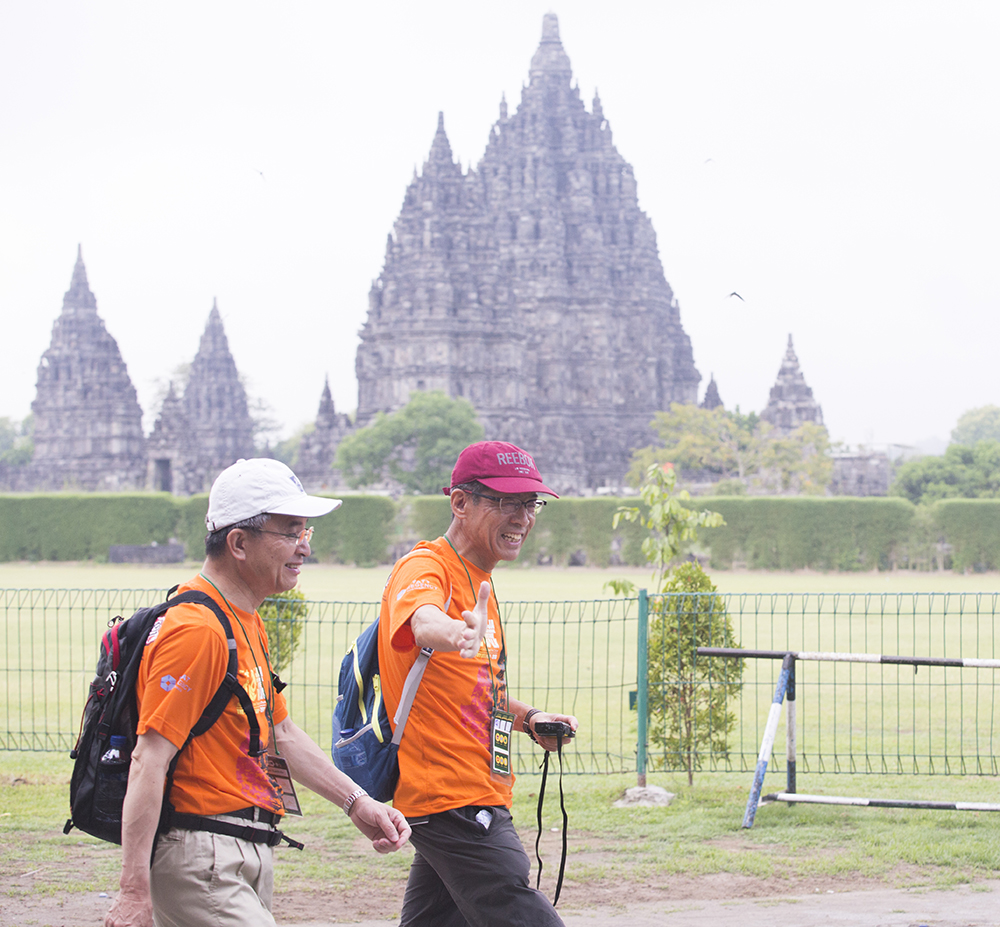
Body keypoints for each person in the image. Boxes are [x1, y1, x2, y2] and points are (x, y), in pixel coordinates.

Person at [106, 458, 411, 927]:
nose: (303, 548)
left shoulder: (243, 619)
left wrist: (357, 801)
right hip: (201, 856)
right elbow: (150, 759)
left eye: (305, 533)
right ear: (239, 543)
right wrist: (132, 893)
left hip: (241, 850)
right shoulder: (196, 629)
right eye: (290, 533)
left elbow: (280, 732)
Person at [377, 440, 578, 927]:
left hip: (471, 791)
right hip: (452, 800)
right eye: (506, 502)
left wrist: (530, 719)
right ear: (460, 503)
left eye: (531, 504)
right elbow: (423, 621)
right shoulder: (427, 567)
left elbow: (474, 690)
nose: (522, 518)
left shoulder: (478, 577)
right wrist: (456, 631)